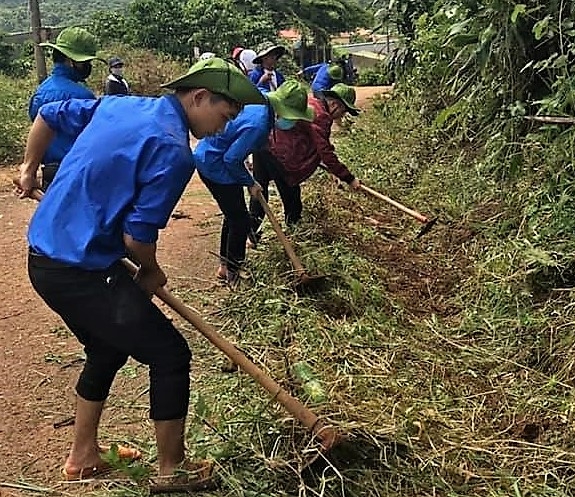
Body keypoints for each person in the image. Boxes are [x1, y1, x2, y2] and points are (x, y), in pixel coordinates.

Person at [16, 57, 265, 490]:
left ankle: (83, 457)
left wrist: (28, 167)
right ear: (199, 97)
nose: (224, 128)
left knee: (108, 347)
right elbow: (136, 240)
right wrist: (151, 272)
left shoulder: (120, 105)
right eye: (224, 116)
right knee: (170, 354)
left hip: (44, 257)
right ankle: (172, 470)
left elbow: (47, 115)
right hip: (79, 270)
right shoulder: (172, 149)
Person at [193, 79, 314, 284]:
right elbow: (231, 159)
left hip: (213, 158)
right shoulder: (259, 125)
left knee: (233, 215)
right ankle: (233, 272)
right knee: (240, 220)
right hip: (215, 164)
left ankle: (225, 266)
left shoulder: (261, 99)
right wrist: (250, 182)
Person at [249, 83, 361, 235]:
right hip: (282, 158)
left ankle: (252, 231)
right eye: (343, 111)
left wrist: (334, 170)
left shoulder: (309, 102)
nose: (341, 116)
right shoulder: (321, 116)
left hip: (265, 146)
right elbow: (325, 151)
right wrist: (349, 178)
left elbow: (317, 143)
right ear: (335, 104)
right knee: (293, 204)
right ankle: (293, 236)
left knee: (259, 192)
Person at [29, 26, 99, 190]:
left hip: (50, 173)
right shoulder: (82, 96)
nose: (88, 66)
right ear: (71, 61)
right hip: (75, 174)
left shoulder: (41, 91)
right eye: (85, 62)